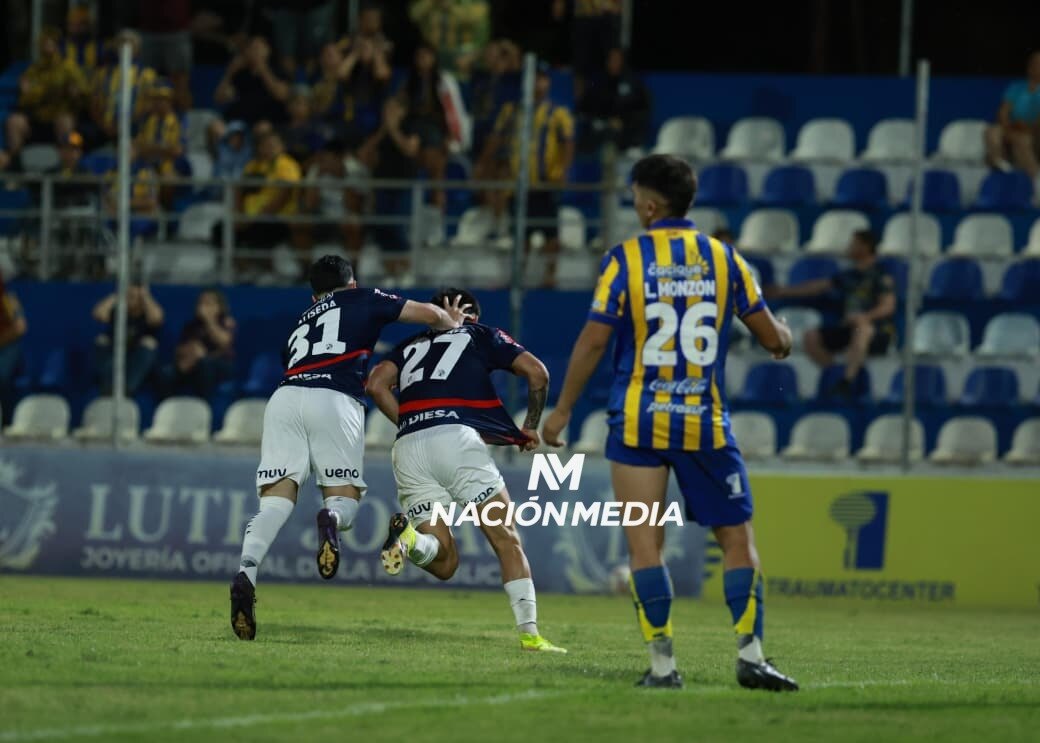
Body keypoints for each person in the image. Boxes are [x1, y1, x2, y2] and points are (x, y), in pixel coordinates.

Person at [542, 154, 799, 691]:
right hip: (704, 424)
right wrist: (786, 338)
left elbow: (593, 339)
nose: (633, 204)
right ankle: (751, 656)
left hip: (637, 424)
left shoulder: (626, 260)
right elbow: (772, 338)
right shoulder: (724, 259)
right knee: (736, 540)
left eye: (635, 195)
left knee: (644, 545)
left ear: (651, 203)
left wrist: (563, 408)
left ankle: (663, 666)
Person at [229, 255, 470, 641]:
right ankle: (332, 518)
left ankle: (246, 572)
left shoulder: (300, 323)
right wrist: (451, 322)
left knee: (275, 502)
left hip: (284, 397)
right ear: (352, 283)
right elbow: (426, 314)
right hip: (335, 396)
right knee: (345, 502)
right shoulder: (363, 298)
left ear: (313, 297)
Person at [366, 287, 566, 654]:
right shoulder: (480, 334)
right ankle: (530, 635)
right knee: (506, 538)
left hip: (408, 446)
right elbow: (537, 374)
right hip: (456, 442)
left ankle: (410, 539)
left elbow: (376, 385)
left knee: (443, 562)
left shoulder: (409, 345)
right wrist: (532, 424)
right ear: (471, 314)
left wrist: (412, 421)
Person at [768, 229, 896, 398]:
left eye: (853, 244)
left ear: (865, 247)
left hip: (876, 332)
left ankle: (848, 381)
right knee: (811, 337)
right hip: (848, 328)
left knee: (863, 328)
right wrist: (784, 292)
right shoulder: (848, 275)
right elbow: (818, 287)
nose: (849, 247)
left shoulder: (881, 275)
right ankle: (835, 372)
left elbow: (888, 306)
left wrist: (864, 317)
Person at [479, 62, 574, 286]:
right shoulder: (511, 111)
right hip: (518, 183)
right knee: (521, 235)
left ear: (548, 82)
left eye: (542, 78)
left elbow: (568, 143)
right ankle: (517, 278)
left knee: (551, 234)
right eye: (534, 78)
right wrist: (483, 164)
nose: (537, 83)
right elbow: (496, 139)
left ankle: (550, 277)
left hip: (545, 183)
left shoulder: (557, 113)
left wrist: (562, 171)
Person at [359, 97, 421, 283]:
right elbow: (363, 154)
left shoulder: (410, 127)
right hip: (381, 186)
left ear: (402, 111)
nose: (389, 114)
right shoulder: (379, 131)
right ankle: (391, 272)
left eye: (394, 109)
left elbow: (410, 149)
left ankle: (405, 271)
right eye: (387, 109)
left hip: (402, 186)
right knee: (383, 229)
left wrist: (393, 130)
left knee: (399, 229)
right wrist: (384, 131)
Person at [5, 27, 88, 160]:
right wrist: (50, 92)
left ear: (58, 46)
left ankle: (65, 166)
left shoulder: (68, 67)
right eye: (44, 44)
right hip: (37, 117)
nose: (47, 48)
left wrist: (74, 93)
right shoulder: (34, 70)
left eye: (51, 44)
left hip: (60, 116)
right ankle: (16, 165)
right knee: (14, 122)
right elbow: (25, 99)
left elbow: (82, 92)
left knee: (65, 121)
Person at [231, 131, 301, 264]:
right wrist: (239, 216)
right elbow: (239, 192)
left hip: (277, 218)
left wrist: (256, 219)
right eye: (265, 145)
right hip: (248, 218)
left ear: (282, 147)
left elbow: (283, 195)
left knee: (260, 230)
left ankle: (265, 270)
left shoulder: (287, 165)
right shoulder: (252, 166)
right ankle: (238, 270)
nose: (269, 149)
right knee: (221, 230)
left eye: (272, 145)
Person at [399, 42, 449, 208]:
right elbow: (402, 109)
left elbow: (449, 112)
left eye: (427, 56)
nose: (423, 60)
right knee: (411, 151)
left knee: (436, 166)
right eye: (420, 56)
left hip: (434, 127)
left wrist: (449, 135)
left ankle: (437, 204)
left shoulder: (443, 82)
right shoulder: (408, 82)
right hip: (413, 126)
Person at [91, 283, 164, 395]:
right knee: (101, 340)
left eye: (134, 297)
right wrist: (117, 295)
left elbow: (157, 318)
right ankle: (108, 388)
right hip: (115, 354)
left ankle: (127, 389)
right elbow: (98, 314)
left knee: (150, 343)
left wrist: (146, 297)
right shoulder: (118, 312)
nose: (130, 299)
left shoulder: (147, 313)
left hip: (136, 358)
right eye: (128, 295)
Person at [165, 289, 236, 398]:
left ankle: (204, 404)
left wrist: (209, 320)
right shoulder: (192, 326)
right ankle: (169, 405)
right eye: (201, 303)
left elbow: (224, 342)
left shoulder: (226, 322)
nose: (203, 306)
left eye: (208, 303)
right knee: (168, 372)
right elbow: (179, 349)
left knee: (205, 363)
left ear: (219, 307)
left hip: (220, 364)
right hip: (193, 364)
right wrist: (193, 351)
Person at [578, 47, 650, 152]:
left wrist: (623, 122)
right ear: (606, 62)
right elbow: (585, 109)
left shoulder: (634, 84)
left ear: (622, 61)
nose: (614, 63)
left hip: (627, 133)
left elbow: (642, 110)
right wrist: (607, 121)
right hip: (601, 130)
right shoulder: (597, 84)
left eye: (617, 60)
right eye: (611, 60)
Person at [213, 36, 290, 131]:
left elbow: (281, 95)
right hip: (240, 118)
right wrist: (230, 72)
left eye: (258, 48)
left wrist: (263, 70)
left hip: (268, 118)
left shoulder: (278, 71)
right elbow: (219, 98)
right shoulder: (240, 74)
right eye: (252, 48)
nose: (255, 53)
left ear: (268, 51)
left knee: (262, 128)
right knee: (216, 127)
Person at [985, 51, 1040, 178]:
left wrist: (1027, 128)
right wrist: (1008, 127)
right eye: (1034, 63)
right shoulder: (1016, 87)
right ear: (1029, 66)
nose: (1036, 67)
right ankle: (1001, 167)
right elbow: (1003, 112)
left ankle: (1035, 181)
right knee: (992, 131)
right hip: (1013, 131)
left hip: (1034, 135)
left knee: (1022, 140)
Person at [408, 0, 490, 79]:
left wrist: (451, 7)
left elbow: (474, 17)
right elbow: (413, 15)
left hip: (461, 55)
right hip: (432, 55)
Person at [137, 0, 194, 111]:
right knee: (144, 80)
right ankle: (146, 124)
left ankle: (184, 122)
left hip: (177, 30)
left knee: (180, 81)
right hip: (148, 29)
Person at [266, 0, 336, 77]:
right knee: (286, 55)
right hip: (284, 7)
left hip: (318, 6)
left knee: (312, 53)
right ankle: (296, 84)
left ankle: (306, 83)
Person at [0, 272, 28, 425]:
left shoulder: (8, 299)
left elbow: (20, 328)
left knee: (2, 376)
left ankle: (5, 421)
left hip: (6, 348)